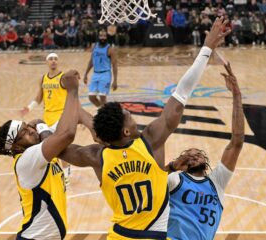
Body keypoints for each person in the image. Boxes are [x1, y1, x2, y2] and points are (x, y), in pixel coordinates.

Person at [58, 17, 231, 239]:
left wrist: (65, 102)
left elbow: (60, 142)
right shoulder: (150, 141)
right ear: (126, 132)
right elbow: (182, 92)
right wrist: (206, 48)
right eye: (128, 116)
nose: (131, 114)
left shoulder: (96, 155)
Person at [0, 70, 82, 240]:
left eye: (28, 126)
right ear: (16, 146)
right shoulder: (27, 160)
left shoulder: (39, 146)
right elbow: (67, 134)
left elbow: (69, 121)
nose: (30, 131)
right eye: (24, 132)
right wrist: (72, 91)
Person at [166, 63, 244, 240]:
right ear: (183, 164)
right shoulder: (175, 179)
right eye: (189, 155)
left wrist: (237, 95)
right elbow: (151, 184)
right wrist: (171, 167)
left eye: (198, 153)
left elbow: (237, 142)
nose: (194, 155)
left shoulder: (217, 181)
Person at [20, 53, 95, 185]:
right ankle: (62, 170)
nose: (53, 61)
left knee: (57, 146)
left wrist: (80, 115)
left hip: (61, 117)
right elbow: (39, 97)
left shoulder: (63, 78)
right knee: (52, 147)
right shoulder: (43, 78)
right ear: (47, 62)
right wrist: (28, 108)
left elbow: (73, 95)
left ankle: (65, 175)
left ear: (58, 62)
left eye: (55, 59)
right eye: (51, 59)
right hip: (47, 117)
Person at [83, 28, 118, 107]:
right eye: (101, 36)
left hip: (105, 74)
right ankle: (103, 111)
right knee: (91, 97)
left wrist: (115, 80)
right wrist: (86, 74)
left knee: (102, 97)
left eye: (104, 36)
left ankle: (104, 115)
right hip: (95, 74)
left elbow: (115, 65)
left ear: (107, 37)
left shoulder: (110, 49)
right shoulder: (94, 46)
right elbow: (91, 61)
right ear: (98, 36)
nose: (102, 37)